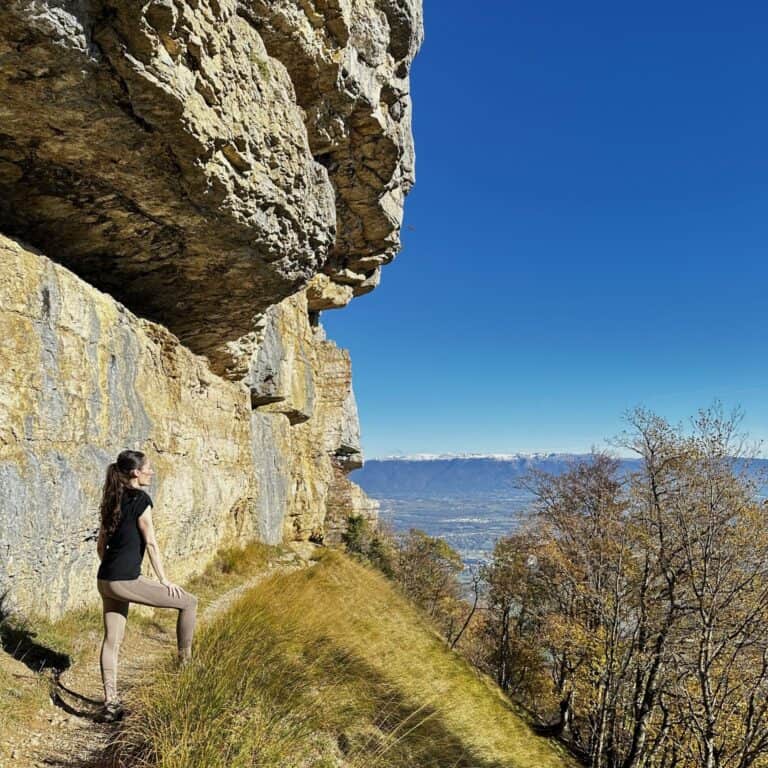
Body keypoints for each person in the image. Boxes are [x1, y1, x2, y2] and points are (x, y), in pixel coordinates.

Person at [95, 449, 198, 723]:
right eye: (148, 468)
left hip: (104, 579)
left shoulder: (110, 498)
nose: (151, 472)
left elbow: (100, 545)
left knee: (112, 641)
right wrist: (164, 579)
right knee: (189, 602)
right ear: (135, 473)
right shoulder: (141, 499)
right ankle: (185, 669)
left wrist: (112, 569)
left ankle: (111, 704)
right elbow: (151, 542)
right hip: (124, 579)